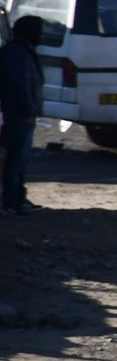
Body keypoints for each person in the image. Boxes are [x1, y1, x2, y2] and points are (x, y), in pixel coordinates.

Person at [0, 14, 45, 216]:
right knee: (15, 160)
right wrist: (27, 110)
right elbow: (20, 85)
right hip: (17, 115)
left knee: (19, 159)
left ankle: (18, 199)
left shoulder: (19, 51)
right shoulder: (17, 53)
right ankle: (12, 202)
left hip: (19, 113)